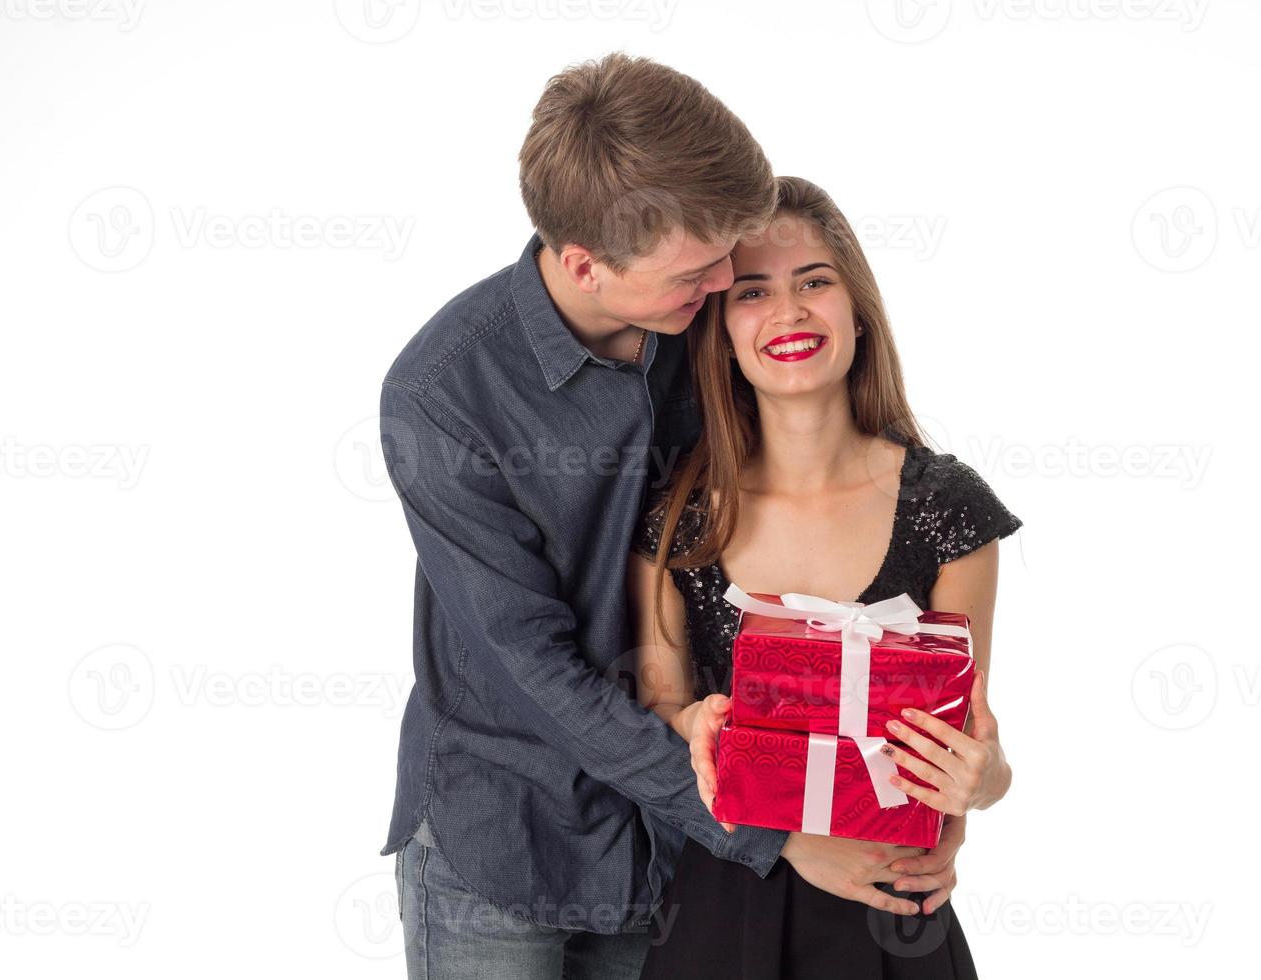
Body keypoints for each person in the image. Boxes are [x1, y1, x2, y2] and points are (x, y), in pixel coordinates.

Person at [377, 55, 947, 980]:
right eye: (699, 268)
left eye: (730, 252)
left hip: (673, 849)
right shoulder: (443, 397)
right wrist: (771, 835)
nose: (727, 279)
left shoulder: (705, 322)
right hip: (507, 835)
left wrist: (941, 807)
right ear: (583, 264)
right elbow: (533, 670)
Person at [629, 176, 1022, 979]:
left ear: (857, 309)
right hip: (721, 908)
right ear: (720, 331)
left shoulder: (947, 507)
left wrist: (985, 785)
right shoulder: (679, 519)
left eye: (815, 281)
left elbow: (972, 739)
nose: (790, 311)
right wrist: (697, 728)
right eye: (753, 292)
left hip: (893, 922)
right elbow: (655, 717)